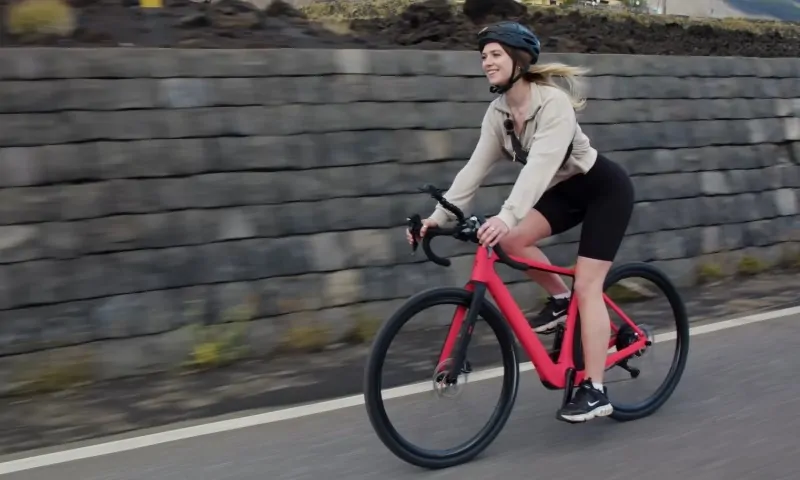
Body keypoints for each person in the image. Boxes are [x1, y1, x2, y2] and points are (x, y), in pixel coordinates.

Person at [405, 21, 635, 423]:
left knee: (588, 284)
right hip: (564, 194)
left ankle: (595, 390)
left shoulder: (552, 105)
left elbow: (540, 169)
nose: (486, 63)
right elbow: (472, 172)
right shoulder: (498, 114)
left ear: (518, 59)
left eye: (495, 54)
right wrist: (437, 220)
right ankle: (561, 301)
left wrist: (505, 215)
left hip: (604, 191)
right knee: (510, 242)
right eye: (483, 56)